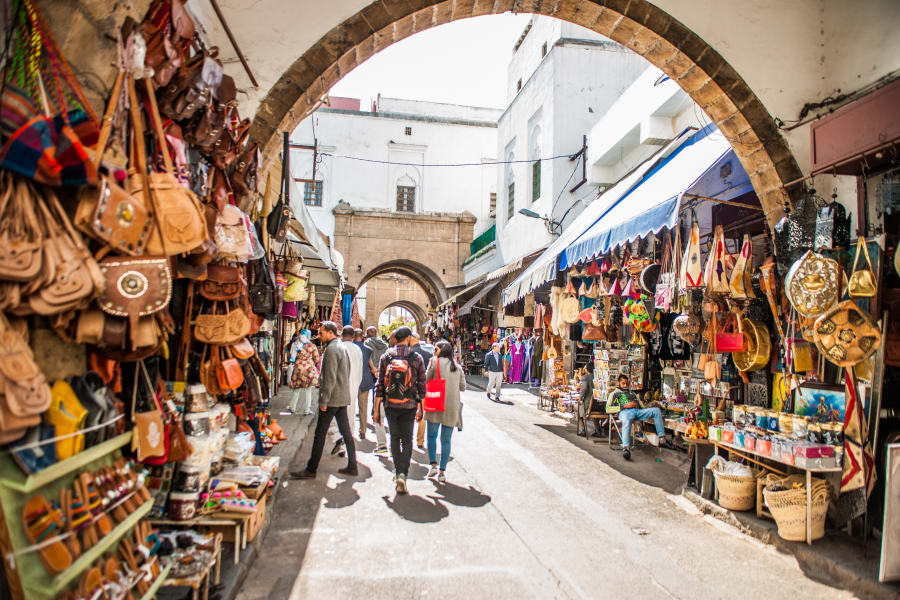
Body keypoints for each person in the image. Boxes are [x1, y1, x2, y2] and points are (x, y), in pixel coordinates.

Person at [291, 321, 358, 479]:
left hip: (332, 399)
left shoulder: (332, 349)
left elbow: (330, 378)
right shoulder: (340, 347)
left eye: (321, 333)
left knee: (319, 434)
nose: (319, 336)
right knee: (346, 433)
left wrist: (324, 401)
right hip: (341, 397)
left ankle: (311, 469)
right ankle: (352, 465)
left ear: (330, 332)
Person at [373, 326, 426, 494]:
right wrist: (422, 408)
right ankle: (403, 473)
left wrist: (376, 410)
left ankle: (398, 473)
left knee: (394, 438)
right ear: (409, 338)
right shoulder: (416, 358)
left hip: (390, 405)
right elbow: (422, 386)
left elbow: (379, 385)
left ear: (395, 338)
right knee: (407, 439)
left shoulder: (386, 357)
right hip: (409, 404)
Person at [424, 341, 466, 483]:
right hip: (452, 406)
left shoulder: (434, 362)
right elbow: (463, 387)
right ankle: (442, 472)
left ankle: (433, 465)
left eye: (435, 348)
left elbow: (425, 379)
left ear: (441, 350)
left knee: (431, 436)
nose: (434, 350)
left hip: (436, 402)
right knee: (446, 440)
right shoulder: (458, 367)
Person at [607, 373, 672, 460]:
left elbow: (643, 407)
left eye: (627, 383)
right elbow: (607, 409)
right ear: (619, 383)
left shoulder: (633, 393)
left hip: (637, 411)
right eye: (623, 383)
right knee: (626, 419)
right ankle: (626, 448)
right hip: (624, 412)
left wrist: (650, 404)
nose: (625, 385)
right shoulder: (614, 394)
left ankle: (662, 439)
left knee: (656, 411)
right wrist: (624, 406)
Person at [331, 326, 362, 457]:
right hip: (353, 386)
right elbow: (360, 369)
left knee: (334, 416)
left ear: (341, 335)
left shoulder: (338, 348)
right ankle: (344, 443)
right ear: (354, 336)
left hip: (339, 386)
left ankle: (338, 438)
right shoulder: (358, 350)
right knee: (350, 415)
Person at [363, 326, 389, 451]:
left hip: (371, 370)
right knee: (378, 393)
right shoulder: (384, 344)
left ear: (368, 334)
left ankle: (373, 413)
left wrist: (373, 369)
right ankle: (376, 412)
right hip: (381, 371)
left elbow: (367, 357)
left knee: (369, 394)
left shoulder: (367, 343)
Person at [354, 328, 379, 443]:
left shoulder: (348, 347)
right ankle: (363, 430)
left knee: (348, 407)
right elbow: (370, 364)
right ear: (363, 337)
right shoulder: (368, 350)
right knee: (363, 407)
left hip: (351, 380)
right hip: (364, 380)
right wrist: (375, 371)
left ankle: (348, 430)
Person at [410, 333, 433, 450]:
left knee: (409, 413)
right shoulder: (428, 354)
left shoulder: (409, 354)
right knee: (423, 414)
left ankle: (407, 438)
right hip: (424, 388)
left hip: (410, 388)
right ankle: (420, 440)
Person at [289, 332, 319, 415]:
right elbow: (316, 358)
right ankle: (307, 409)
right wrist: (310, 362)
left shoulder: (296, 344)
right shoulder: (312, 346)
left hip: (298, 368)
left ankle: (293, 407)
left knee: (296, 389)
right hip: (308, 369)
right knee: (308, 390)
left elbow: (291, 356)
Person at [579, 362, 602, 437]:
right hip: (598, 403)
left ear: (587, 369)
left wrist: (580, 397)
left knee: (578, 409)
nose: (584, 369)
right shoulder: (598, 376)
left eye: (585, 368)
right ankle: (597, 430)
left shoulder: (585, 377)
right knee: (594, 414)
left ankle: (582, 430)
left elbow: (584, 388)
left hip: (588, 402)